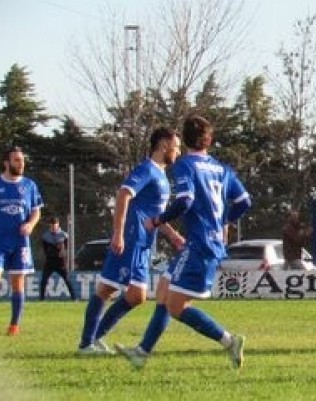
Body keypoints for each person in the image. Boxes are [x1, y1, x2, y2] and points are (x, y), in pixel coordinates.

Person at [116, 116, 252, 370]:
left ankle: (229, 340)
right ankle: (142, 352)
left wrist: (158, 220)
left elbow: (185, 201)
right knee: (165, 290)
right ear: (209, 140)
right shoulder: (223, 170)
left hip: (200, 244)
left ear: (185, 139)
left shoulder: (185, 165)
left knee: (176, 306)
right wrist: (224, 221)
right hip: (204, 242)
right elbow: (245, 202)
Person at [78, 128, 184, 355]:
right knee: (106, 288)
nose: (178, 151)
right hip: (132, 238)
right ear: (164, 145)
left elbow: (155, 215)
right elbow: (124, 194)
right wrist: (118, 233)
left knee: (137, 296)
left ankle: (94, 338)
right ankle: (87, 343)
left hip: (145, 243)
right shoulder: (146, 169)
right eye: (176, 146)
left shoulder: (162, 177)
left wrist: (172, 234)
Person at [0, 147, 44, 337]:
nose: (21, 163)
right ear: (6, 163)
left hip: (20, 242)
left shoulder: (29, 185)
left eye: (22, 160)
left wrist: (31, 225)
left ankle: (14, 326)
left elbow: (36, 210)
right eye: (17, 160)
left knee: (18, 282)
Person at [39, 216, 76, 301]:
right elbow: (44, 248)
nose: (53, 227)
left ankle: (74, 298)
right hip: (50, 261)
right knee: (44, 280)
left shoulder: (64, 235)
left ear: (58, 224)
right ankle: (41, 299)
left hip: (60, 261)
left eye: (54, 225)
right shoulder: (46, 236)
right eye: (51, 225)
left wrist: (63, 254)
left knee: (67, 280)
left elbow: (67, 247)